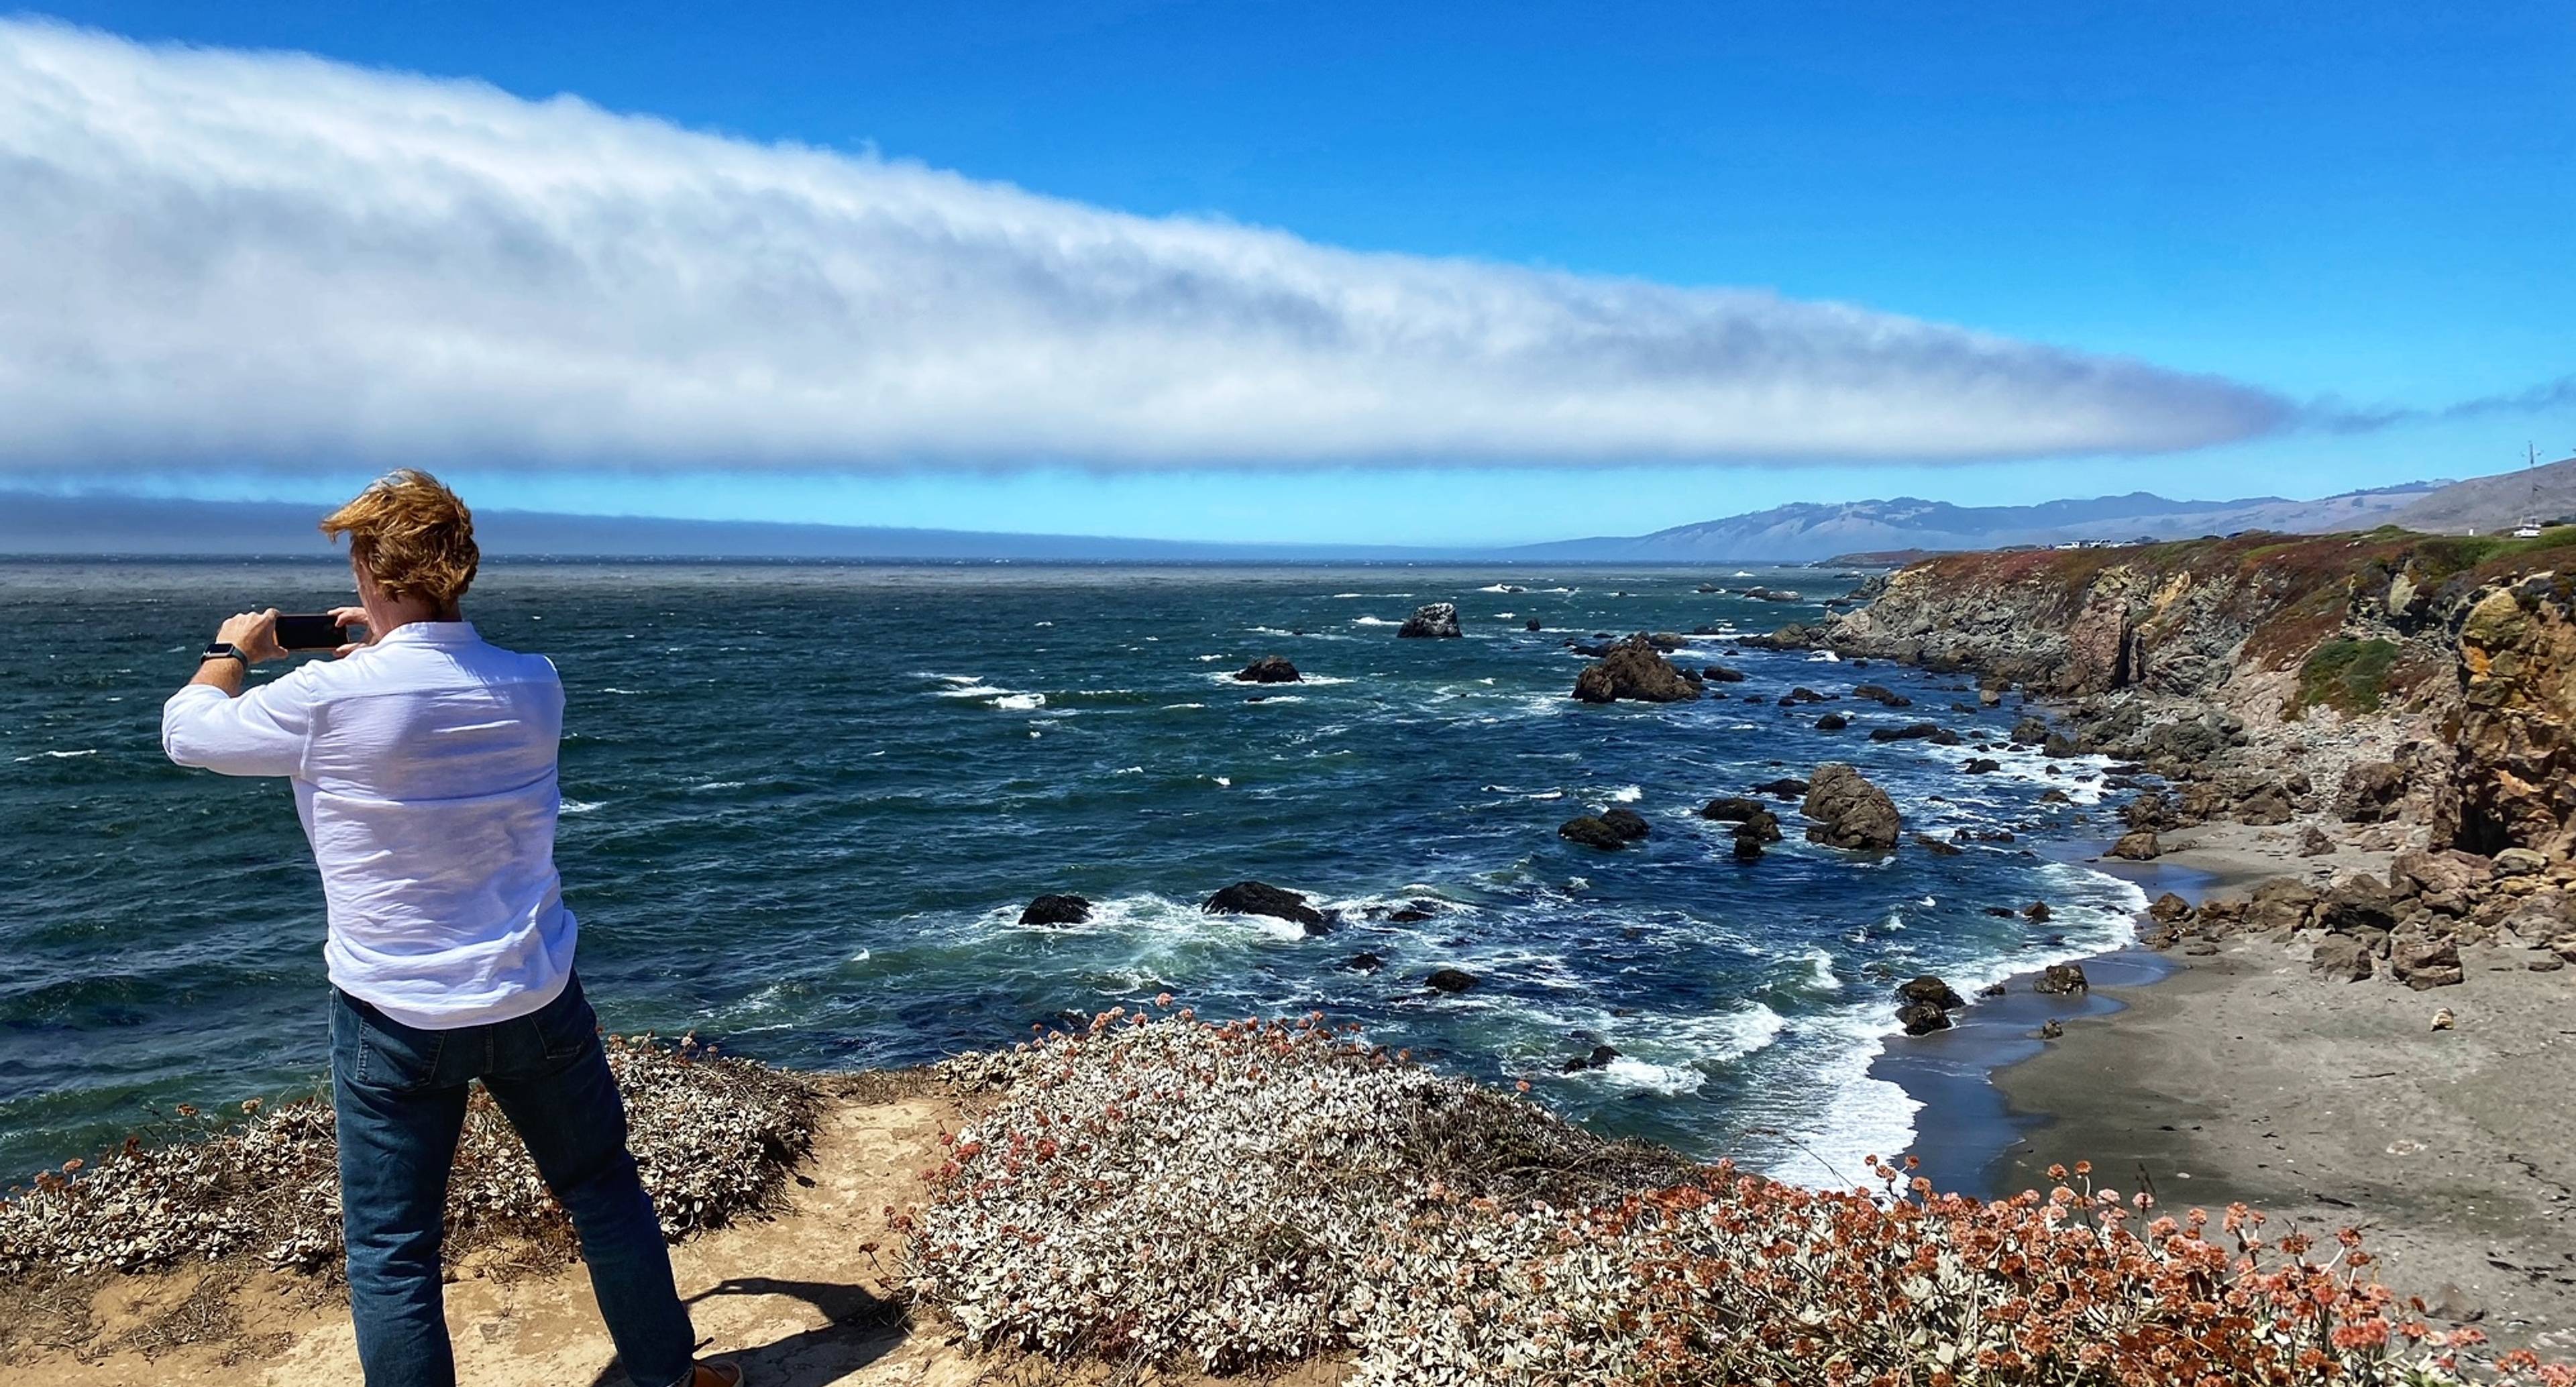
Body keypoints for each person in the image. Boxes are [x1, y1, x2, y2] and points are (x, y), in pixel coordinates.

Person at [160, 470, 741, 1387]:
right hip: (535, 993)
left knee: (395, 1253)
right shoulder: (535, 684)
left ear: (368, 569)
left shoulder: (324, 700)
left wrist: (230, 648)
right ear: (458, 570)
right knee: (601, 1192)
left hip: (394, 1017)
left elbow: (189, 732)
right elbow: (423, 709)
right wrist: (381, 656)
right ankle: (669, 1377)